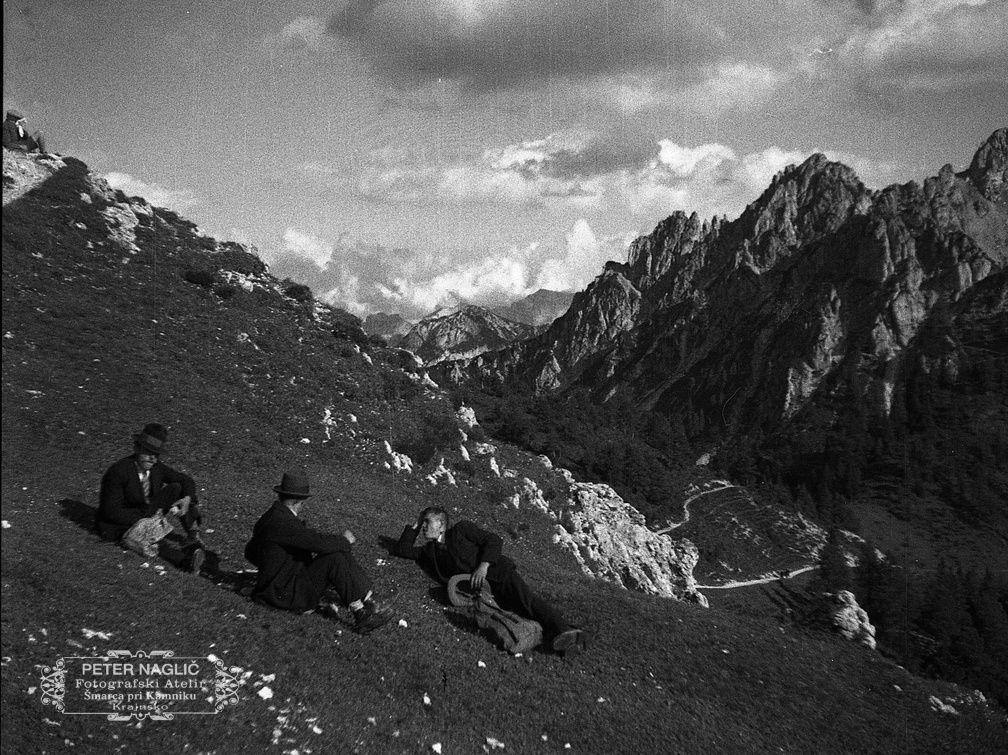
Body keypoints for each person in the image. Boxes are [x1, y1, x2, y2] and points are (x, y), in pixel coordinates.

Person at [395, 506, 585, 656]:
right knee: (517, 612)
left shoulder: (461, 529)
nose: (425, 527)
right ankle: (563, 638)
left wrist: (483, 565)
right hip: (485, 592)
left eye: (428, 522)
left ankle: (563, 630)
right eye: (424, 523)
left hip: (498, 572)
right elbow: (403, 550)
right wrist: (415, 525)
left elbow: (494, 540)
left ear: (442, 525)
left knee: (527, 601)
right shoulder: (430, 551)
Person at [244, 471, 394, 635]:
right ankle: (367, 606)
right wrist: (344, 541)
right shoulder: (284, 522)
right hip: (284, 596)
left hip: (276, 590)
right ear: (299, 501)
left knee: (336, 554)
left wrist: (273, 569)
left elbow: (250, 552)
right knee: (335, 557)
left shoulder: (270, 517)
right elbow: (317, 543)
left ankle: (365, 605)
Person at [96, 423, 207, 571]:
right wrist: (144, 521)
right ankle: (185, 561)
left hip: (146, 514)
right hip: (122, 523)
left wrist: (187, 499)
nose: (153, 459)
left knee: (178, 488)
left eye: (156, 455)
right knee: (146, 538)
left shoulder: (157, 468)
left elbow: (186, 480)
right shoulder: (119, 471)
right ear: (137, 448)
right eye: (149, 453)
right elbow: (110, 512)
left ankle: (193, 536)